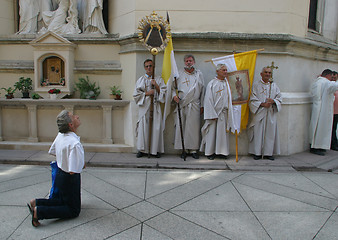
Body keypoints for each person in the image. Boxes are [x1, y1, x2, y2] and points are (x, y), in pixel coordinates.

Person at [27, 110, 84, 227]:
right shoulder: (74, 143)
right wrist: (78, 162)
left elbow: (52, 151)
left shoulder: (60, 136)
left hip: (60, 173)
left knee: (61, 201)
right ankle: (39, 212)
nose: (77, 116)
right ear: (70, 125)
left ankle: (35, 202)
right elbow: (73, 170)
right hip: (70, 178)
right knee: (73, 210)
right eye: (73, 116)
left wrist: (65, 159)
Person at [200, 64, 235, 160]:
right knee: (211, 133)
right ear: (217, 71)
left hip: (223, 113)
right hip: (214, 113)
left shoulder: (227, 83)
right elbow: (207, 99)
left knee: (222, 134)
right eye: (223, 70)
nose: (225, 72)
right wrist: (211, 114)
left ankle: (222, 152)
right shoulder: (212, 83)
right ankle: (210, 152)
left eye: (226, 70)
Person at [172, 54, 205, 159]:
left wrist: (202, 105)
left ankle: (194, 149)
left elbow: (203, 91)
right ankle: (184, 149)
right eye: (186, 61)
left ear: (194, 62)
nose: (188, 62)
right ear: (184, 62)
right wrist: (174, 96)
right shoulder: (179, 74)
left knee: (193, 128)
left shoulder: (199, 75)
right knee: (182, 126)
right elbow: (172, 88)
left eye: (190, 60)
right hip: (182, 104)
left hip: (195, 104)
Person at [133, 59, 167, 158]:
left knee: (155, 129)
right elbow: (136, 95)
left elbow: (164, 93)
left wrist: (156, 86)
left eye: (151, 66)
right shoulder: (140, 80)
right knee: (144, 128)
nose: (149, 68)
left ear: (153, 67)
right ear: (144, 67)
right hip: (144, 108)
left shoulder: (159, 79)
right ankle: (142, 150)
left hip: (155, 107)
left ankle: (155, 150)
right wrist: (147, 93)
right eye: (147, 66)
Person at [248, 67, 282, 160]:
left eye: (269, 73)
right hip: (260, 112)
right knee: (258, 133)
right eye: (266, 72)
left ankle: (268, 153)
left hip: (270, 113)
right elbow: (252, 100)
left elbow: (280, 98)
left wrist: (273, 101)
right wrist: (262, 104)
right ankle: (257, 153)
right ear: (261, 74)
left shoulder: (274, 86)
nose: (267, 74)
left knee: (270, 133)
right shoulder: (256, 85)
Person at [309, 69, 338, 155]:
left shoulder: (317, 82)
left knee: (317, 128)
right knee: (321, 128)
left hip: (318, 109)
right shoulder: (325, 82)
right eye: (331, 77)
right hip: (324, 110)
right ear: (328, 75)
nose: (331, 79)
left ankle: (317, 145)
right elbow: (335, 86)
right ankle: (316, 147)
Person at [331, 71, 338, 150]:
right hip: (333, 112)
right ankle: (333, 144)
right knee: (333, 128)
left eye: (335, 76)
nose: (333, 78)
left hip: (336, 111)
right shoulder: (331, 85)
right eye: (332, 77)